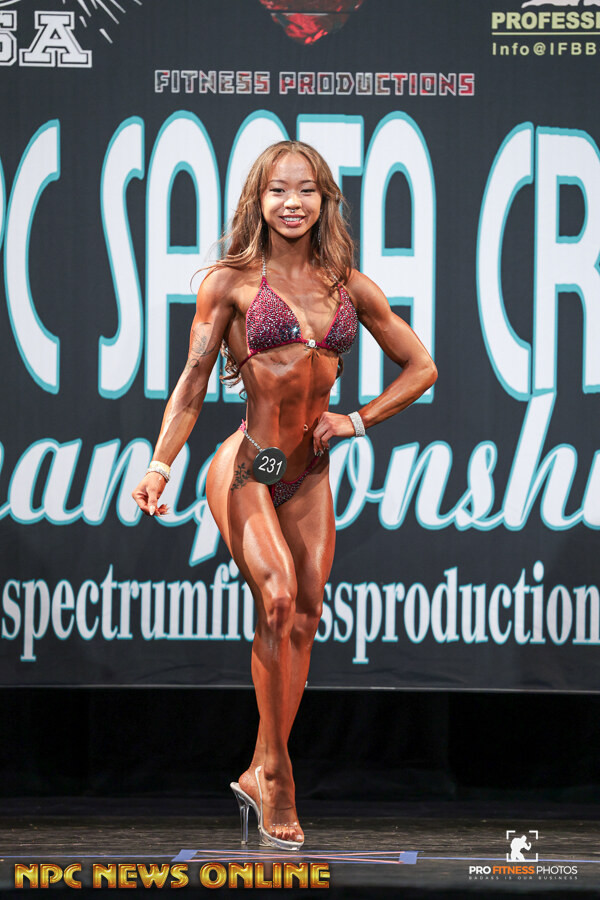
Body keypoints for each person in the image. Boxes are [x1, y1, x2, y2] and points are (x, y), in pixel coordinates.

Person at [132, 140, 437, 850]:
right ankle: (279, 775)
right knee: (275, 597)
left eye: (306, 190)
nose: (292, 202)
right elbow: (192, 382)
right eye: (277, 190)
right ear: (259, 200)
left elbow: (421, 367)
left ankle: (258, 767)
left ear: (325, 200)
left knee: (303, 619)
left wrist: (357, 420)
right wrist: (159, 465)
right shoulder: (231, 282)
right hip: (251, 461)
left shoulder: (348, 286)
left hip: (309, 471)